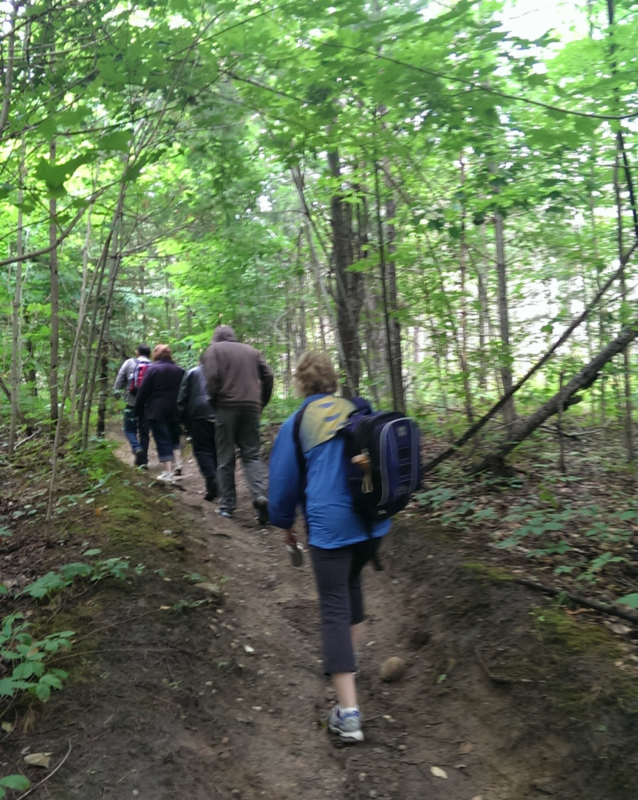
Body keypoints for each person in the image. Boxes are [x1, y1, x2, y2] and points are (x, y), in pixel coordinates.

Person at [268, 351, 390, 743]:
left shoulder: (298, 421)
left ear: (301, 384)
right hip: (373, 522)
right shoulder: (359, 408)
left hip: (331, 528)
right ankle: (348, 668)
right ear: (333, 381)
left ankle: (349, 715)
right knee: (351, 588)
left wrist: (284, 525)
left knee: (334, 608)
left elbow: (284, 485)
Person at [202, 325, 273, 522]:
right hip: (251, 407)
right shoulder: (252, 351)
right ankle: (260, 497)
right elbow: (268, 375)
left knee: (225, 457)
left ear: (216, 338)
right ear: (233, 337)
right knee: (251, 455)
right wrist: (261, 401)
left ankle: (227, 506)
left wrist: (214, 399)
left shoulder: (213, 350)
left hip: (226, 406)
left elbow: (212, 377)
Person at [133, 344, 185, 482]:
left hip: (157, 410)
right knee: (174, 436)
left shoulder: (152, 370)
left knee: (162, 439)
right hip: (175, 409)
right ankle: (178, 463)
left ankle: (168, 473)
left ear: (156, 355)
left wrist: (137, 410)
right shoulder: (179, 370)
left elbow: (142, 392)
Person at [177, 357, 217, 501]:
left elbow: (182, 398)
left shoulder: (192, 372)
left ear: (200, 361)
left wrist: (181, 420)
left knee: (202, 450)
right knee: (216, 449)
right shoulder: (220, 373)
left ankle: (212, 480)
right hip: (219, 413)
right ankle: (216, 484)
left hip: (198, 414)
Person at [113, 343, 151, 468]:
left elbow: (119, 382)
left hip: (130, 403)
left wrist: (117, 398)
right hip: (146, 405)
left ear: (137, 352)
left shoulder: (129, 363)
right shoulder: (153, 366)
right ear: (149, 354)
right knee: (144, 432)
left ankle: (136, 447)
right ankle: (143, 461)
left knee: (129, 429)